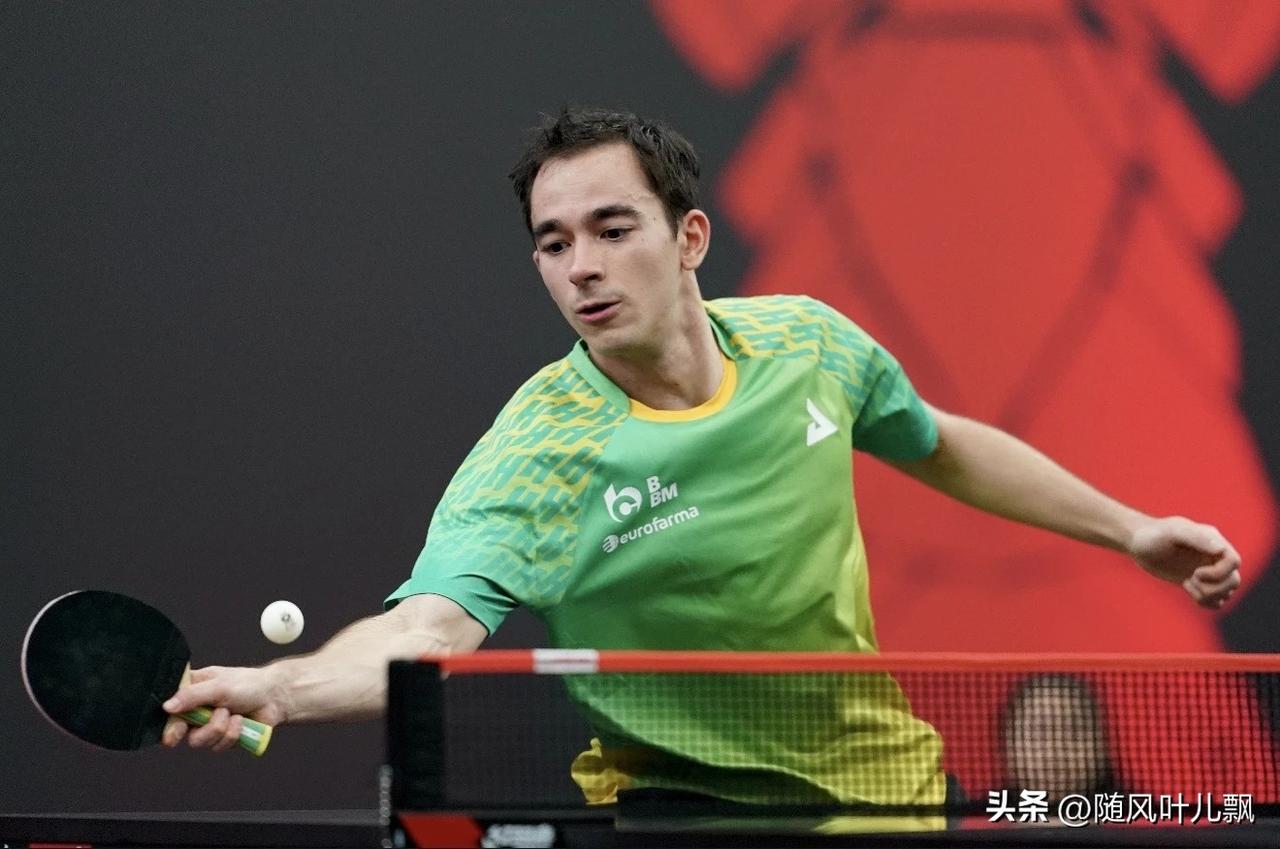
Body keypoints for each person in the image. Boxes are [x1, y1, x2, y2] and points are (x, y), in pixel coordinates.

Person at [161, 106, 1241, 811]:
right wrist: (281, 690)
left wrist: (1130, 529)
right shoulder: (539, 454)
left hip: (879, 792)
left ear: (689, 238)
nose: (581, 267)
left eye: (611, 228)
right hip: (670, 811)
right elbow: (424, 631)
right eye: (552, 243)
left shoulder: (809, 345)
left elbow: (936, 440)